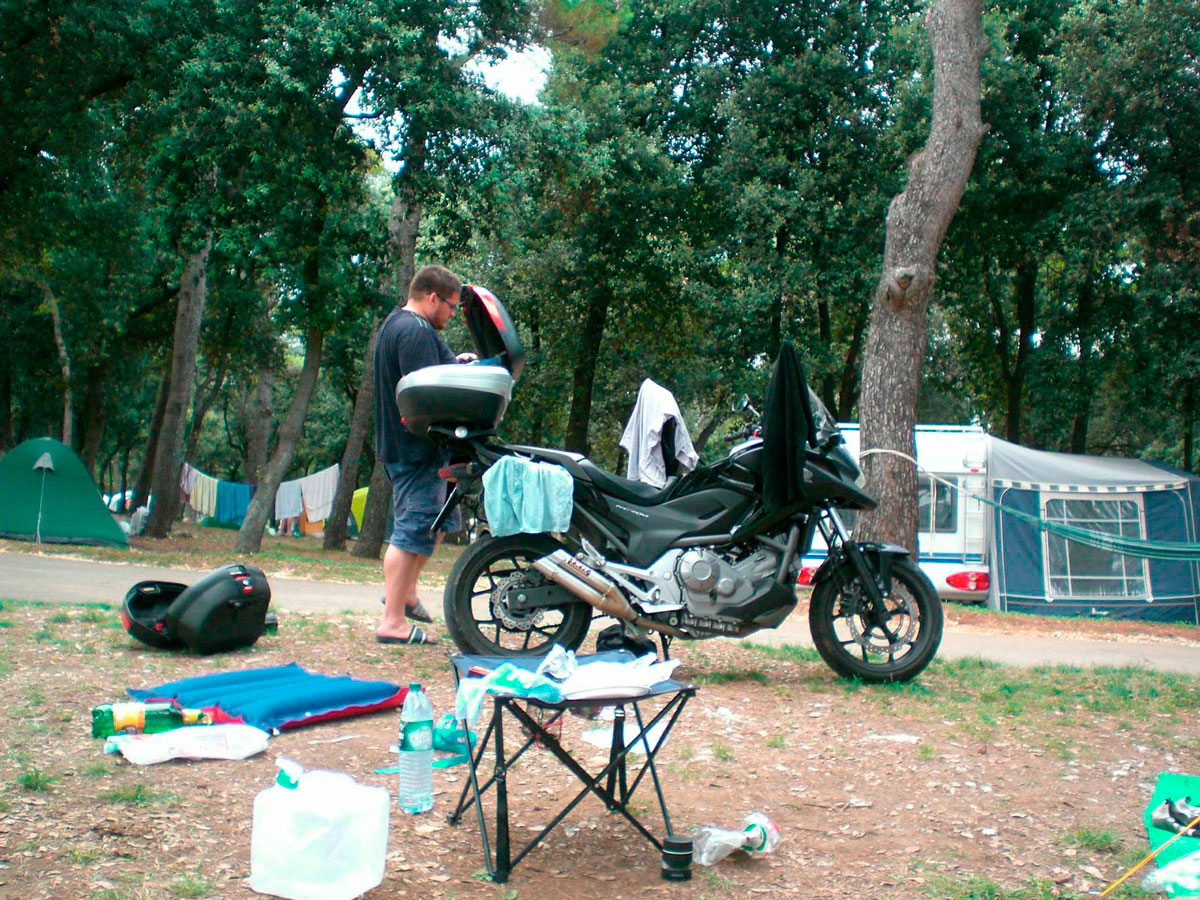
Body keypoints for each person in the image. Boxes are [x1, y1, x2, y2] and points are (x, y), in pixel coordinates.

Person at [373, 264, 473, 644]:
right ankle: (392, 622)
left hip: (416, 449)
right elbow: (428, 394)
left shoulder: (406, 326)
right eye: (450, 306)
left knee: (437, 524)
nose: (452, 314)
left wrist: (460, 364)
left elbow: (438, 370)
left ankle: (407, 594)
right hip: (414, 449)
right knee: (412, 530)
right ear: (432, 297)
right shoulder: (414, 331)